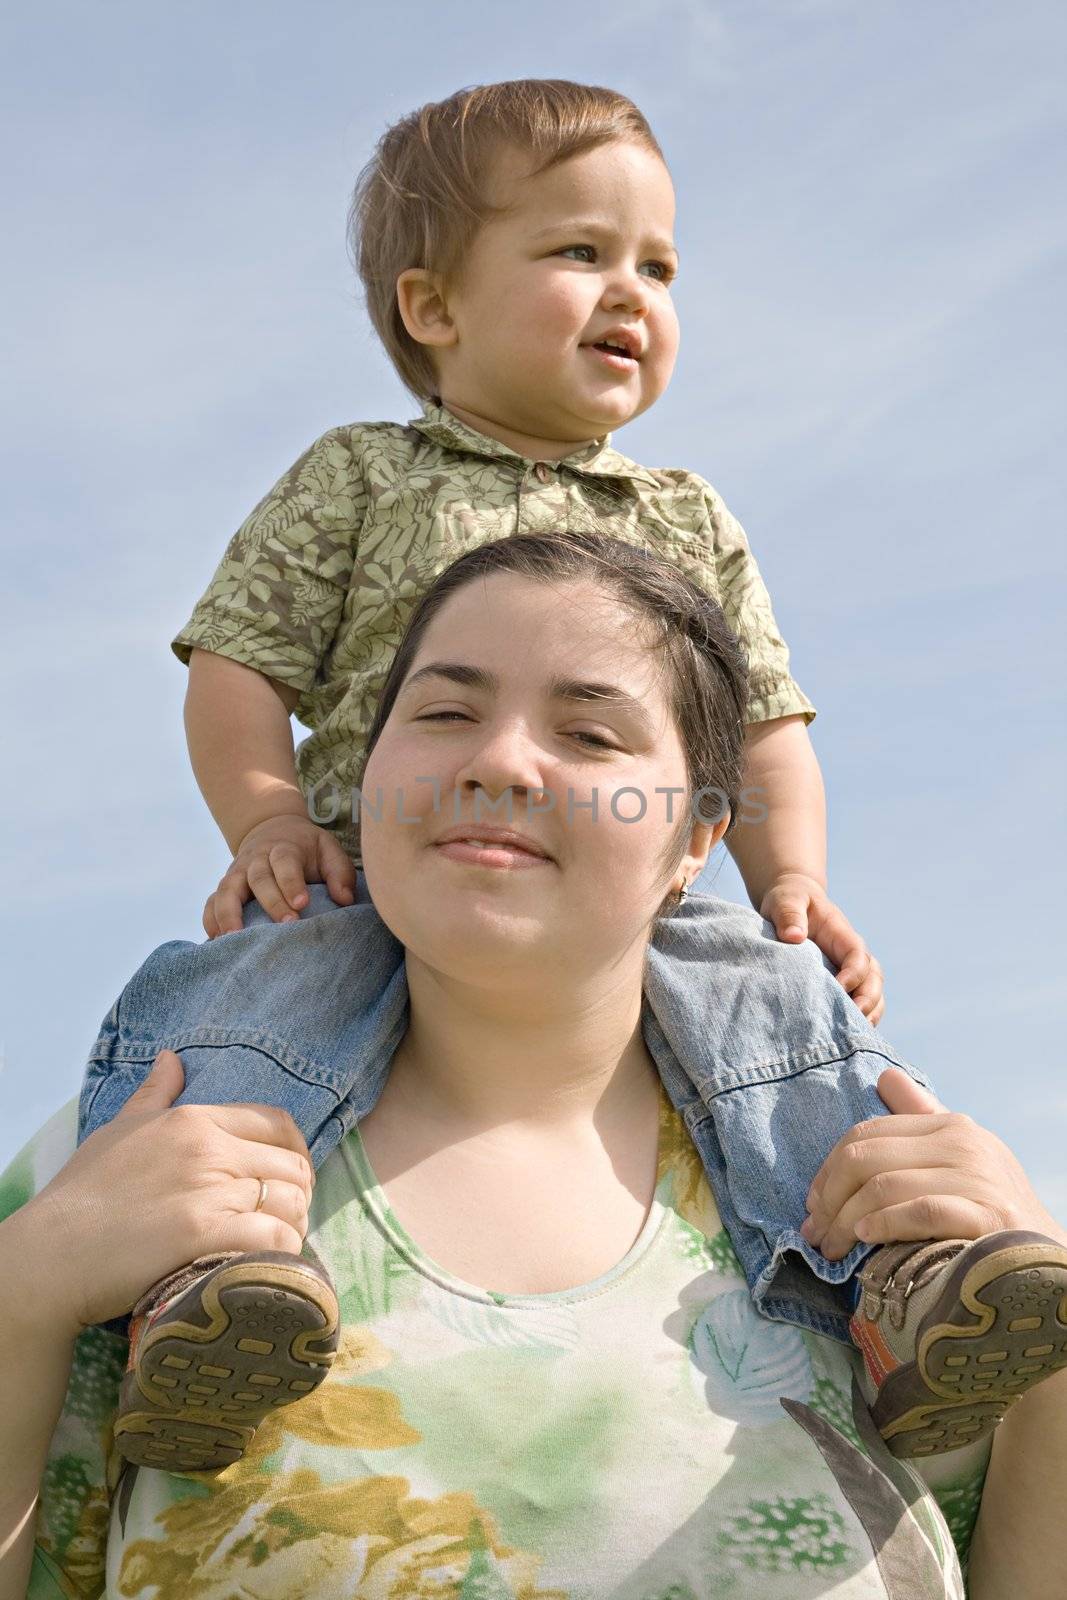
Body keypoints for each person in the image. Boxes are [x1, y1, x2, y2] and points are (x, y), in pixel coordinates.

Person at [5, 535, 1064, 1599]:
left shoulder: (877, 1203)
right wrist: (21, 1290)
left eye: (590, 733)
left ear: (697, 841)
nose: (498, 761)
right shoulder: (145, 1158)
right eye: (443, 713)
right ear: (365, 778)